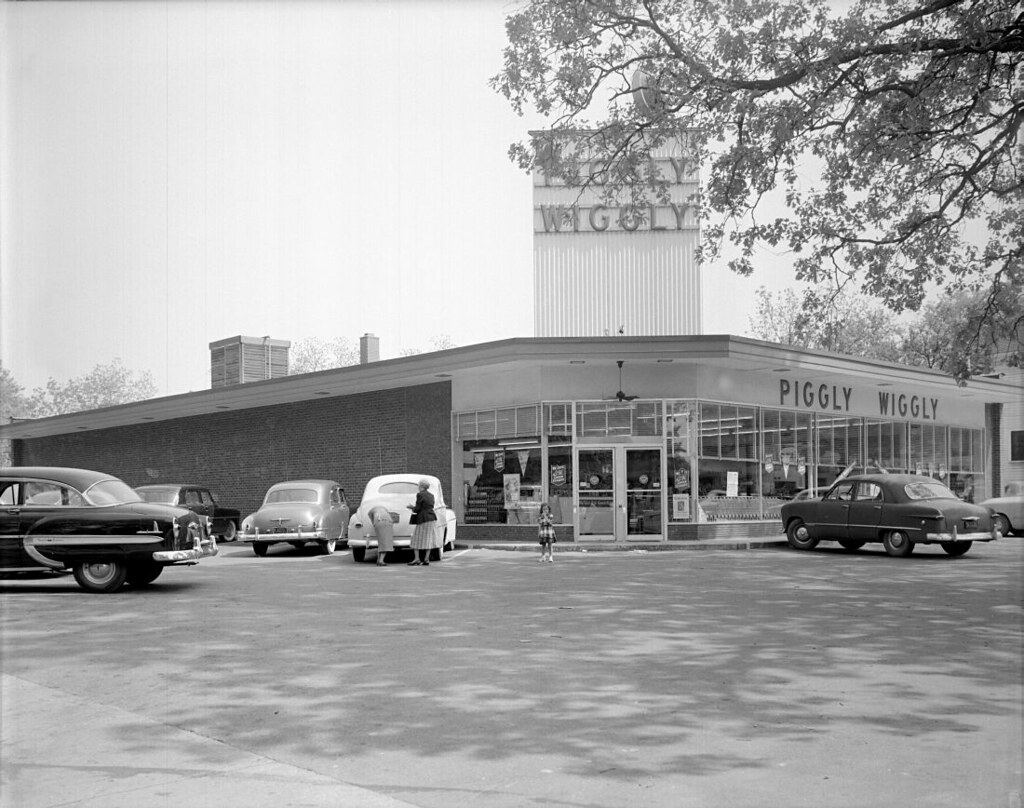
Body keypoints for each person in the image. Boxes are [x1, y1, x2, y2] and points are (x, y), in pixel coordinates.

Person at [407, 478, 437, 566]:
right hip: (432, 517)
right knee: (428, 538)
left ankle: (417, 559)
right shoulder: (431, 495)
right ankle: (426, 559)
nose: (418, 487)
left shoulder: (420, 494)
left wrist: (411, 507)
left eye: (418, 485)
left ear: (421, 486)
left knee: (416, 538)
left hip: (423, 518)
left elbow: (418, 508)